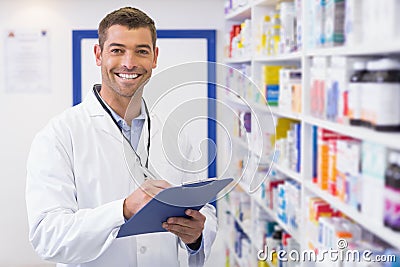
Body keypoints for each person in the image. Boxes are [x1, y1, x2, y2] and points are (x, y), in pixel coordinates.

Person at [26, 7, 217, 267]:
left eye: (141, 51)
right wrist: (123, 210)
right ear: (98, 54)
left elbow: (203, 211)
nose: (129, 63)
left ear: (155, 57)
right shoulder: (59, 135)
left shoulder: (175, 135)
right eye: (117, 50)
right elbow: (47, 237)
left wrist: (196, 236)